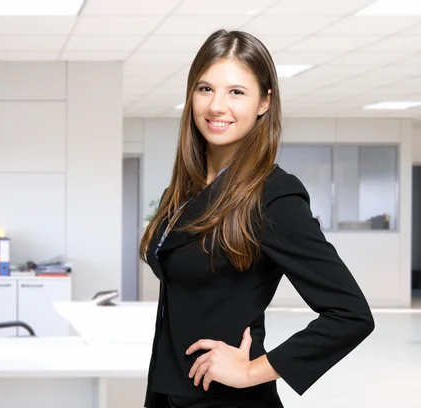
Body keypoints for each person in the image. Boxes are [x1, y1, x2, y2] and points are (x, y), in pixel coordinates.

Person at [139, 29, 375, 408]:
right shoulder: (183, 191)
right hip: (171, 393)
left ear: (264, 102)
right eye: (205, 89)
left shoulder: (272, 195)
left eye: (236, 92)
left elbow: (351, 314)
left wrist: (252, 370)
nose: (217, 106)